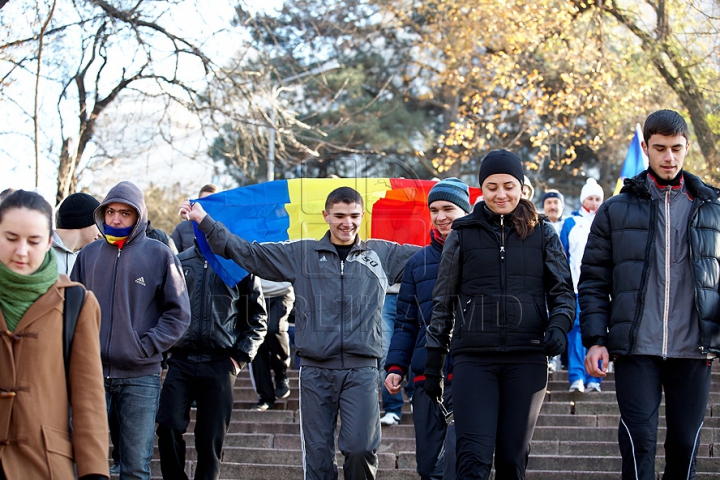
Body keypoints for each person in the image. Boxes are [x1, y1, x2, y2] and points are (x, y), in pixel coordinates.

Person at [180, 186, 421, 480]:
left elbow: (434, 259)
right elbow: (249, 253)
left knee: (360, 450)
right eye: (340, 216)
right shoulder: (302, 253)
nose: (348, 223)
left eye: (354, 215)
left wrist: (468, 228)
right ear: (326, 216)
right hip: (315, 372)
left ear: (363, 215)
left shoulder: (382, 253)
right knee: (318, 459)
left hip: (362, 370)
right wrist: (206, 221)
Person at [580, 109, 720, 480]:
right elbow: (593, 280)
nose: (669, 158)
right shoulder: (614, 210)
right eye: (659, 148)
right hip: (635, 349)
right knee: (637, 442)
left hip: (693, 350)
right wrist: (595, 339)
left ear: (687, 147)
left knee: (684, 447)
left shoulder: (713, 210)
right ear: (645, 148)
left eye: (676, 148)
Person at [424, 150, 575, 480]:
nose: (501, 194)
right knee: (473, 460)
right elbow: (443, 301)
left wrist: (560, 325)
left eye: (509, 185)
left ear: (522, 187)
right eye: (492, 187)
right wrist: (433, 363)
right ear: (481, 190)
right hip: (474, 361)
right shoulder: (463, 233)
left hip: (527, 360)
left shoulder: (542, 232)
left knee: (511, 461)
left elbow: (563, 291)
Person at [72, 181, 191, 480]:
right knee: (84, 463)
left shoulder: (160, 255)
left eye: (125, 213)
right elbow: (71, 308)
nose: (115, 219)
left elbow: (178, 314)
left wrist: (146, 346)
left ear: (138, 217)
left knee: (136, 467)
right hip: (92, 375)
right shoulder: (87, 255)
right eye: (110, 211)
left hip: (140, 376)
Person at [0, 190, 109, 480]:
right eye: (11, 238)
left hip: (44, 467)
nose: (21, 251)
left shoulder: (77, 303)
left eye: (33, 241)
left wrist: (94, 473)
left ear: (49, 241)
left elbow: (89, 401)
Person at [157, 240, 267, 480]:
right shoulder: (180, 261)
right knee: (168, 425)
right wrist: (163, 350)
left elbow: (257, 318)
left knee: (210, 439)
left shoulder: (239, 263)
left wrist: (239, 357)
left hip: (220, 362)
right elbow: (161, 308)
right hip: (182, 360)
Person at [385, 177, 472, 480]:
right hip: (425, 379)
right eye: (434, 210)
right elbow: (405, 322)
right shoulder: (417, 262)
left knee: (459, 464)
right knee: (427, 467)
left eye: (448, 208)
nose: (440, 216)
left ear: (465, 210)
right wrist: (396, 365)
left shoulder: (481, 256)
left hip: (470, 374)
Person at [559, 178, 604, 393]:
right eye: (590, 198)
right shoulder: (570, 222)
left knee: (598, 333)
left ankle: (595, 378)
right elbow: (561, 255)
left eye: (597, 199)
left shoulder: (605, 220)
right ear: (582, 199)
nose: (594, 202)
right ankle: (576, 376)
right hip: (576, 288)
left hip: (602, 290)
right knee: (576, 331)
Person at [249, 279, 294, 411]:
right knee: (256, 341)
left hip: (282, 291)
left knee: (274, 329)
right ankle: (265, 397)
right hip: (254, 291)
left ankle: (281, 374)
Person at [52, 192, 102, 275]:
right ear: (83, 221)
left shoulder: (86, 261)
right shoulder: (41, 251)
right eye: (98, 224)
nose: (100, 234)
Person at [172, 184, 218, 252]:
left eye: (211, 201)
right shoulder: (182, 228)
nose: (206, 205)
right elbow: (173, 256)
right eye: (203, 201)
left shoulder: (224, 229)